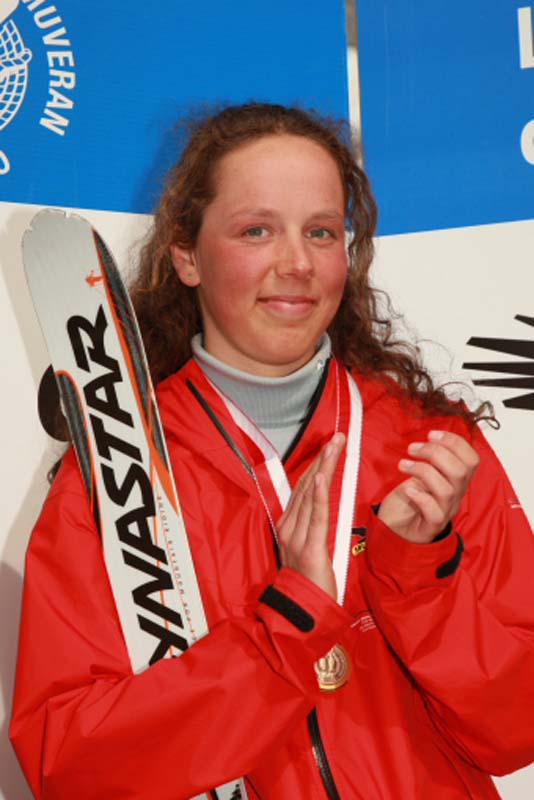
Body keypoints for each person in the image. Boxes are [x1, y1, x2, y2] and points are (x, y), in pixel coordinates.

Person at [10, 102, 534, 800]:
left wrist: (421, 578)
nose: (298, 263)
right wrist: (285, 630)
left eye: (322, 232)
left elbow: (516, 729)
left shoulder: (428, 448)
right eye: (256, 230)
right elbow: (72, 769)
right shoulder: (116, 476)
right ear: (187, 256)